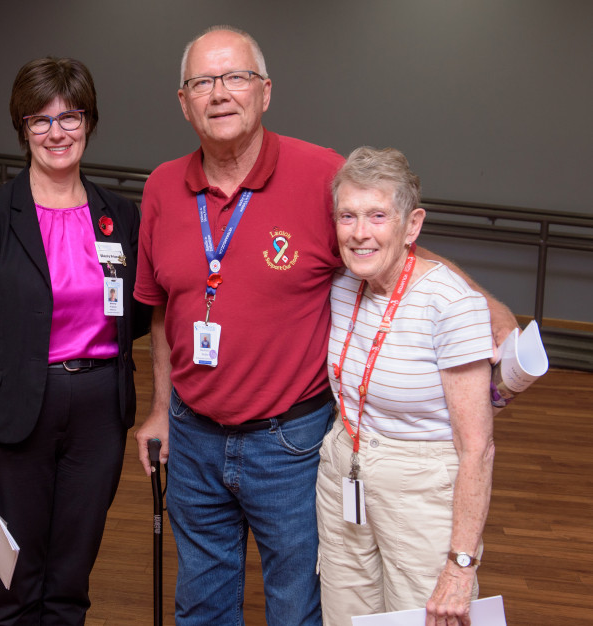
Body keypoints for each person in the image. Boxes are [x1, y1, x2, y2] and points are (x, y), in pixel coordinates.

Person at [133, 26, 516, 625]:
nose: (220, 93)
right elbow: (162, 309)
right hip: (193, 436)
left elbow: (385, 244)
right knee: (200, 604)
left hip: (289, 443)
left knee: (297, 606)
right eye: (202, 82)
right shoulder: (161, 187)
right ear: (184, 102)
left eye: (236, 77)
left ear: (265, 92)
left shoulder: (320, 174)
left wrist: (484, 305)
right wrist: (159, 408)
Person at [0, 57, 150, 625]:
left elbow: (133, 314)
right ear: (23, 127)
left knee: (71, 579)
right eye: (41, 119)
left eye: (70, 117)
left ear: (89, 122)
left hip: (98, 413)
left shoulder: (120, 216)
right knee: (16, 580)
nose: (57, 132)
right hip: (14, 413)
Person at [317, 147, 495, 626]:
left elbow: (476, 448)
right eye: (347, 216)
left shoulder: (451, 304)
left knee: (424, 616)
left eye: (378, 216)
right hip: (344, 475)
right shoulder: (342, 285)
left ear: (412, 225)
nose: (360, 232)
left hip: (421, 491)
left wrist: (461, 564)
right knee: (344, 616)